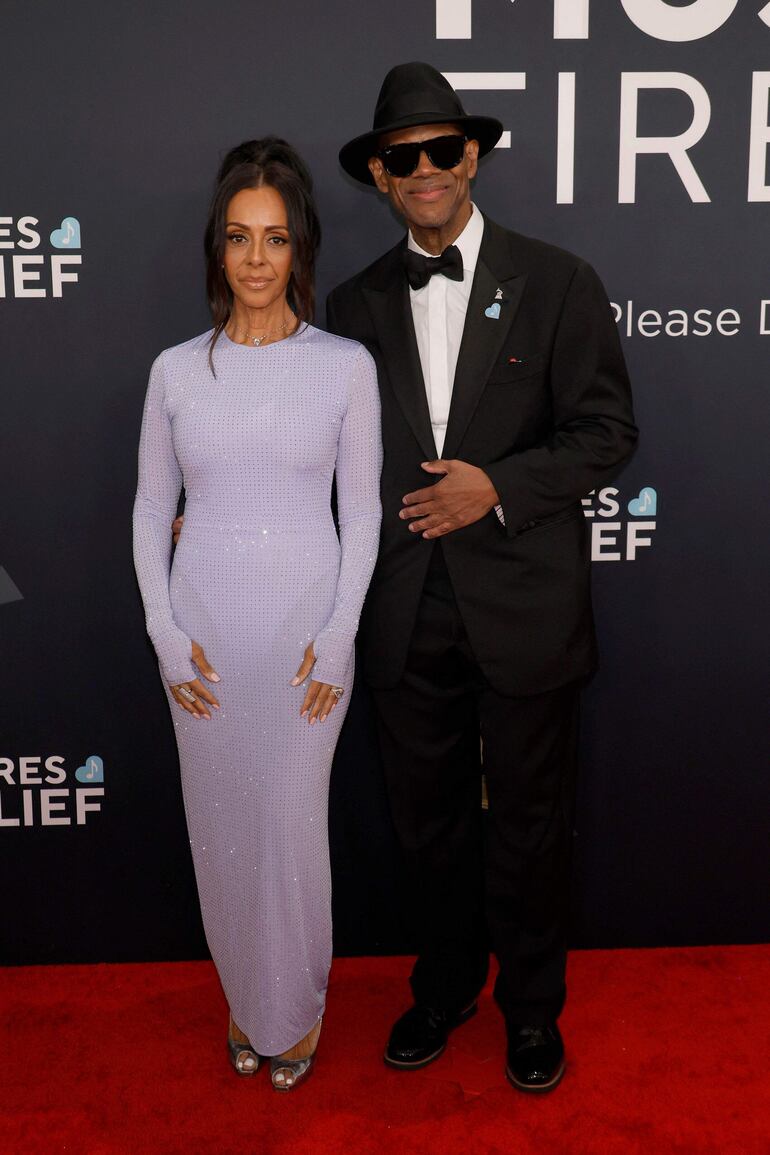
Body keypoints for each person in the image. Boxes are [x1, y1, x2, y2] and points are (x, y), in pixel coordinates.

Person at [325, 62, 638, 1091]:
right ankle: (445, 984)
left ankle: (531, 1010)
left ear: (471, 155)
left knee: (532, 825)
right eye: (400, 156)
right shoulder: (352, 302)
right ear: (379, 174)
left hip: (524, 607)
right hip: (403, 612)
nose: (424, 169)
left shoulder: (556, 280)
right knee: (426, 825)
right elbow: (327, 454)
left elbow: (605, 432)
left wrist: (493, 488)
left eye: (440, 149)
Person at [132, 137, 382, 1091]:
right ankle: (247, 997)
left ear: (299, 249)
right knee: (221, 828)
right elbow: (153, 508)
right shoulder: (175, 373)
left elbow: (359, 511)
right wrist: (161, 628)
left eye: (274, 239)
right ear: (218, 248)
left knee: (287, 825)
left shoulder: (344, 367)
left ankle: (296, 1007)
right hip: (202, 641)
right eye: (239, 237)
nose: (256, 259)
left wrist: (338, 632)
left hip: (305, 642)